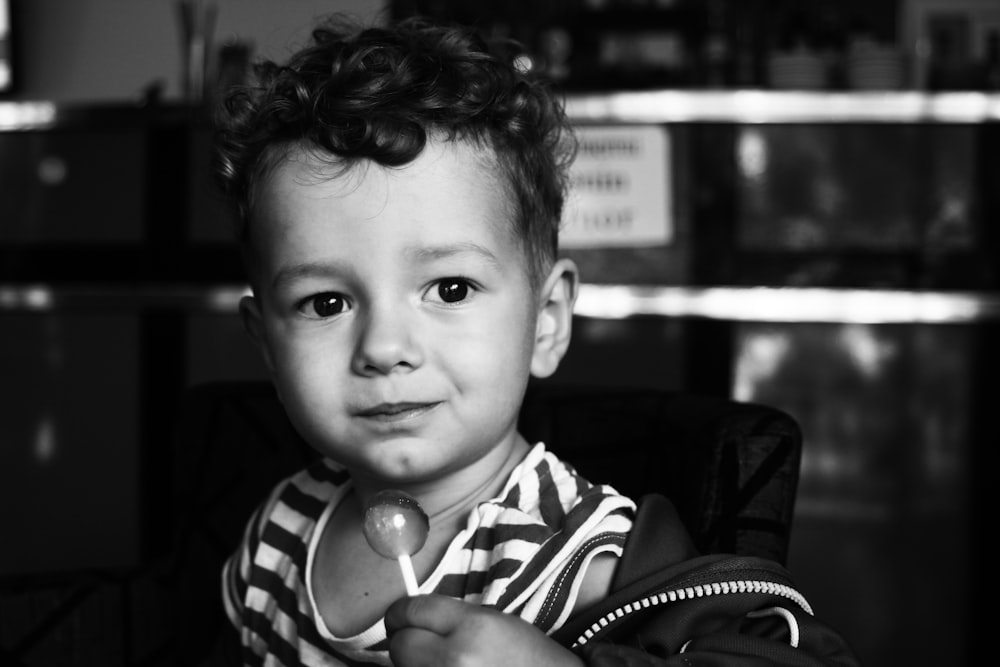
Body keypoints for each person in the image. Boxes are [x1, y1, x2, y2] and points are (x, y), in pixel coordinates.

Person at [210, 13, 861, 667]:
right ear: (266, 343)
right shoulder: (278, 534)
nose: (384, 346)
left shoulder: (590, 559)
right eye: (326, 302)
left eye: (450, 288)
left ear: (546, 319)